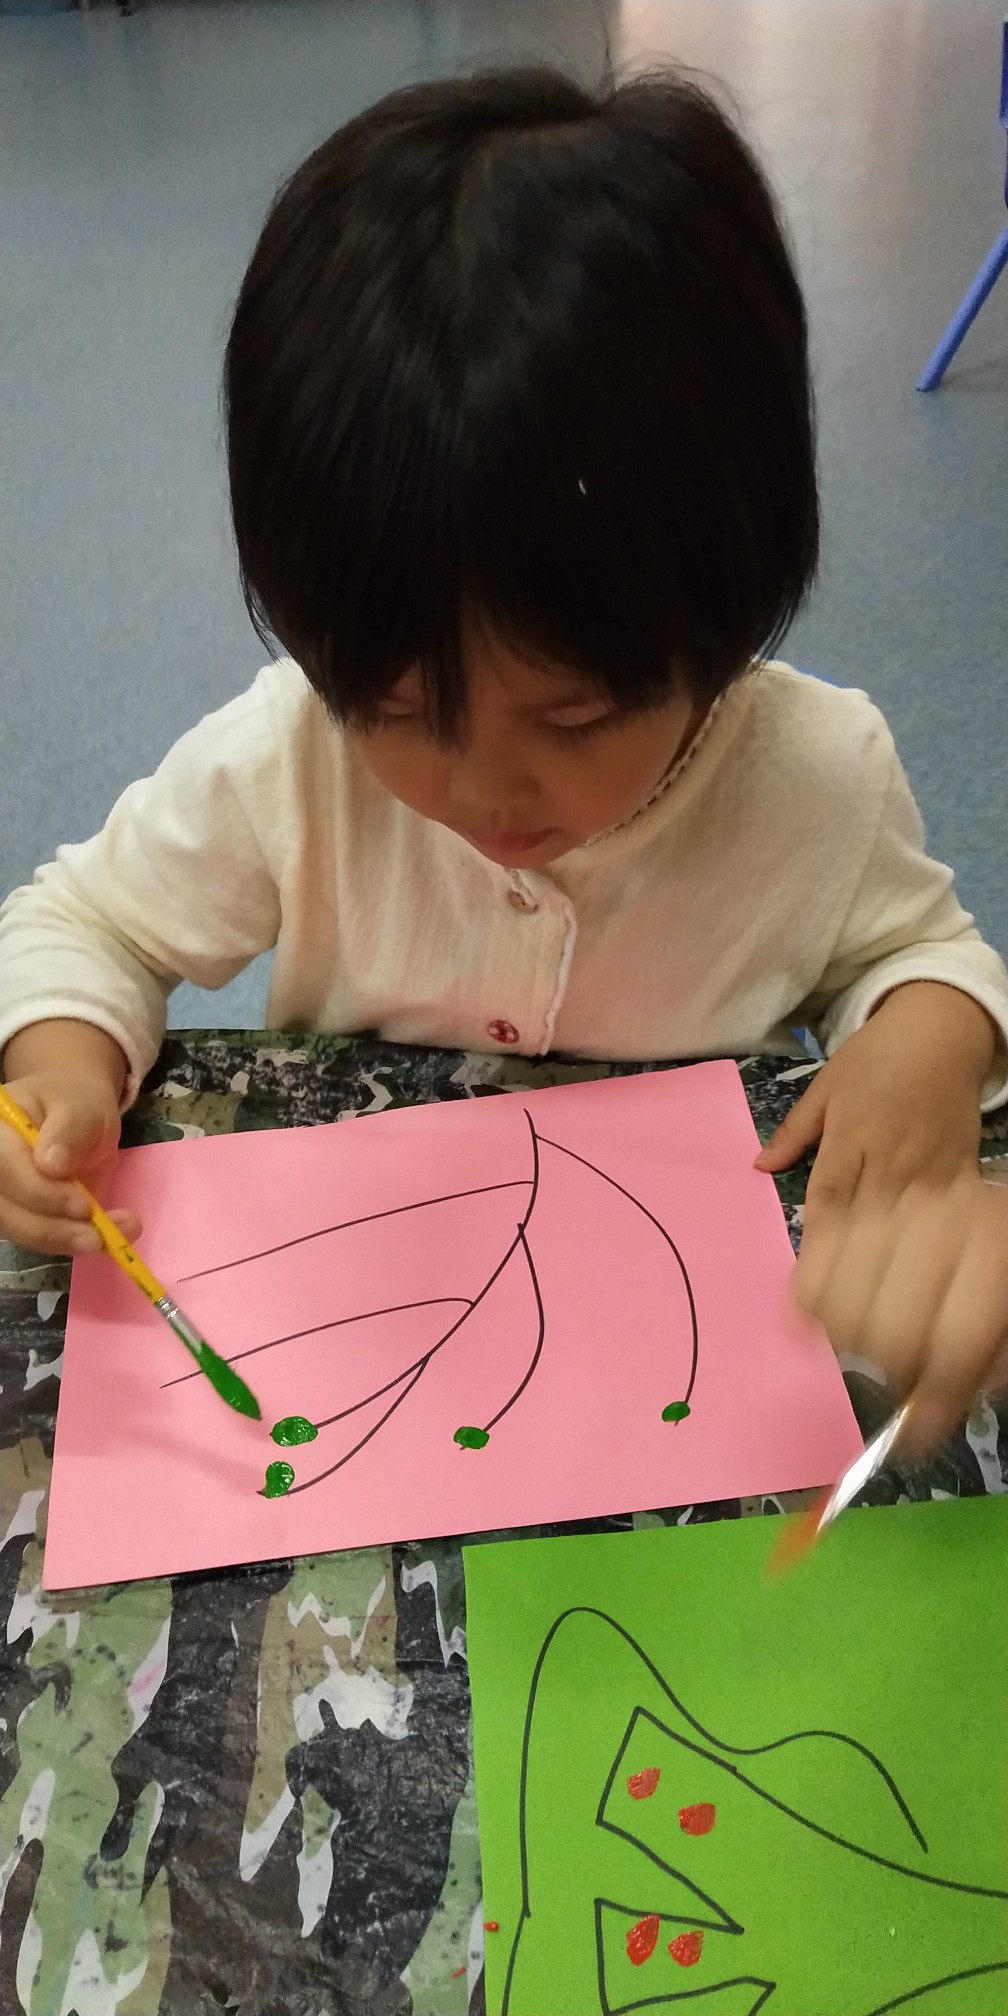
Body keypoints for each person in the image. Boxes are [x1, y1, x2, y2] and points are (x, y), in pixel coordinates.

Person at [1, 67, 1005, 1451]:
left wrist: (929, 1043)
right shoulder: (293, 758)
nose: (480, 793)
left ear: (720, 618)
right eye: (400, 709)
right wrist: (60, 1063)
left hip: (684, 1371)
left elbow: (923, 953)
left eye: (573, 721)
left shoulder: (818, 776)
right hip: (368, 1332)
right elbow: (84, 921)